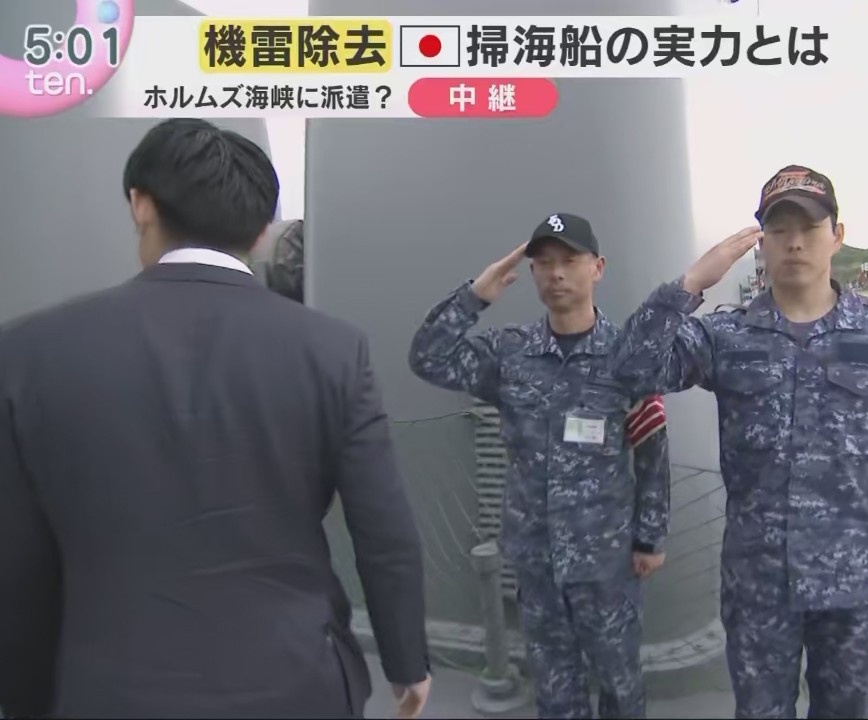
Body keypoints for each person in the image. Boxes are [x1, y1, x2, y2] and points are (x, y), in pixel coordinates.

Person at [0, 119, 431, 719]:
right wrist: (407, 661)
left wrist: (24, 695)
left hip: (111, 690)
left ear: (140, 204)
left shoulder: (29, 351)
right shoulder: (332, 350)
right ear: (261, 229)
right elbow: (384, 531)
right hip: (294, 683)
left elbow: (17, 558)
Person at [609, 165, 868, 718]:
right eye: (779, 228)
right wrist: (690, 283)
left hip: (854, 581)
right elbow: (629, 371)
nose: (794, 242)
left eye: (810, 228)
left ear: (837, 235)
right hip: (758, 582)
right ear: (760, 241)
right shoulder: (725, 335)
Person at [409, 213, 670, 719]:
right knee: (553, 685)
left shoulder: (626, 355)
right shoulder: (510, 352)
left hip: (607, 560)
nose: (556, 274)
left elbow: (651, 449)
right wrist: (475, 296)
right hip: (537, 558)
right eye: (544, 263)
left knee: (619, 679)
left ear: (597, 267)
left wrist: (650, 538)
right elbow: (427, 358)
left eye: (569, 260)